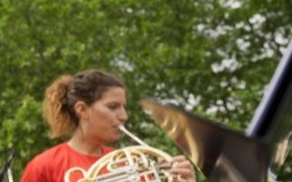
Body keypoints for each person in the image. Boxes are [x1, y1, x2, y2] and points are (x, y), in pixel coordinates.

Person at [20, 70, 196, 182]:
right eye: (113, 107)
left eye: (123, 107)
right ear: (82, 109)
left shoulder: (132, 163)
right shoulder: (44, 166)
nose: (123, 116)